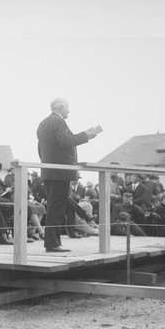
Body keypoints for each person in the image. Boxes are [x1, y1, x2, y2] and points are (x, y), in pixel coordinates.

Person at [36, 98, 102, 252]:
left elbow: (41, 148)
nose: (69, 111)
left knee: (54, 207)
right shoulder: (58, 122)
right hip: (60, 172)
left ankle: (52, 242)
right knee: (57, 209)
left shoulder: (43, 123)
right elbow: (66, 141)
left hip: (49, 171)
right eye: (67, 108)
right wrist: (86, 135)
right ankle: (53, 244)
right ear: (60, 107)